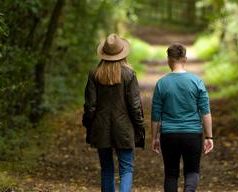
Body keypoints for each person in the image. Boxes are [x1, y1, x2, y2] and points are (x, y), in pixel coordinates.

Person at [82, 33, 145, 192]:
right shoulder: (129, 74)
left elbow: (90, 106)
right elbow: (135, 106)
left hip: (101, 127)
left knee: (107, 169)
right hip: (124, 128)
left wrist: (89, 125)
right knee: (126, 169)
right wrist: (139, 126)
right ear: (122, 53)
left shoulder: (94, 74)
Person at [151, 43, 214, 192]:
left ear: (168, 60)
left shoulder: (162, 83)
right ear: (185, 59)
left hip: (169, 135)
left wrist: (154, 138)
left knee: (171, 174)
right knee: (192, 171)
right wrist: (209, 137)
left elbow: (155, 114)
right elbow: (205, 111)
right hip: (192, 134)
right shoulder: (196, 81)